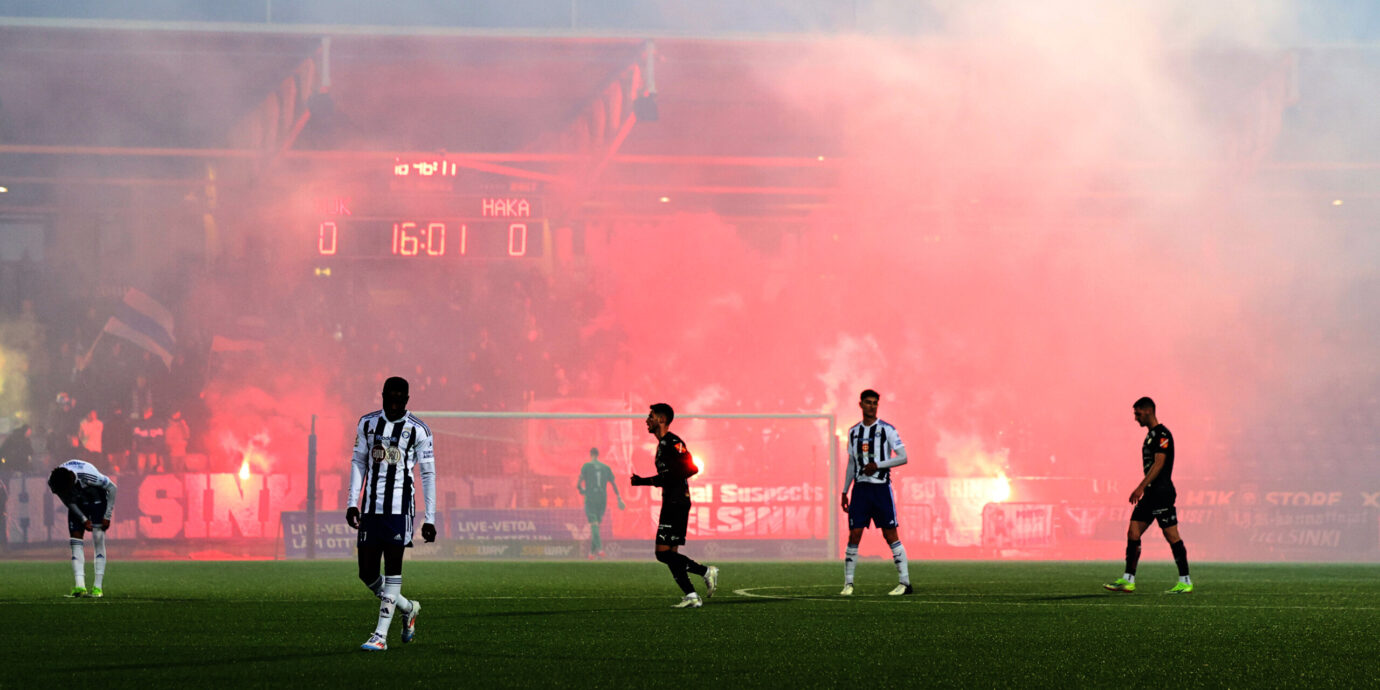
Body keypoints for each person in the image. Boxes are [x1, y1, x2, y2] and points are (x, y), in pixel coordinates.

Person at [347, 376, 437, 651]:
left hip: (399, 511)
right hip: (371, 509)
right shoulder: (367, 423)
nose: (395, 403)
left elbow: (428, 474)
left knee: (394, 569)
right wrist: (353, 501)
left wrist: (429, 517)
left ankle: (380, 636)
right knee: (367, 573)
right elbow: (359, 461)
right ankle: (408, 608)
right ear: (383, 395)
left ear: (407, 399)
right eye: (391, 398)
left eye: (401, 399)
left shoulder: (419, 430)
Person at [631, 403, 718, 608]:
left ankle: (706, 571)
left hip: (676, 501)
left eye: (650, 416)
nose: (647, 420)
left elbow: (692, 468)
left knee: (662, 553)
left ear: (661, 419)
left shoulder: (673, 442)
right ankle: (691, 596)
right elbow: (667, 476)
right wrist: (646, 481)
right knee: (671, 554)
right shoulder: (662, 445)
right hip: (673, 500)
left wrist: (650, 480)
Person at [1105, 397, 1193, 594]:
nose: (1135, 418)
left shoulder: (1163, 434)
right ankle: (1128, 579)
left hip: (1161, 492)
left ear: (1148, 411)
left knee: (1171, 535)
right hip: (1151, 493)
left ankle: (1185, 580)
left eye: (1137, 413)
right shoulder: (1150, 436)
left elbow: (1159, 463)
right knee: (1133, 532)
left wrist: (1140, 487)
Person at [840, 389, 912, 596]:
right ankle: (848, 584)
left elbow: (903, 457)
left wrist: (879, 465)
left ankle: (905, 582)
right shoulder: (853, 432)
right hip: (860, 489)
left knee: (890, 535)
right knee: (854, 534)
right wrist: (845, 490)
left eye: (875, 403)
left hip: (881, 489)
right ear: (860, 405)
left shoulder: (887, 430)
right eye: (868, 403)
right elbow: (852, 463)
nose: (872, 406)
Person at [47, 459, 117, 597]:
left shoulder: (89, 475)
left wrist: (107, 516)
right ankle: (80, 587)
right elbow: (67, 499)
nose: (67, 491)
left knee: (98, 538)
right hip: (76, 503)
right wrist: (83, 519)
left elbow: (112, 488)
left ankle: (97, 588)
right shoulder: (54, 481)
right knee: (75, 540)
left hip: (96, 499)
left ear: (73, 479)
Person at [577, 447, 625, 559]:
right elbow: (613, 484)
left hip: (590, 498)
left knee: (593, 524)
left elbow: (579, 484)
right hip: (602, 499)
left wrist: (583, 490)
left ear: (591, 454)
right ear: (598, 455)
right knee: (596, 526)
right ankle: (591, 553)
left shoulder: (586, 466)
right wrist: (619, 497)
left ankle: (600, 548)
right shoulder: (606, 468)